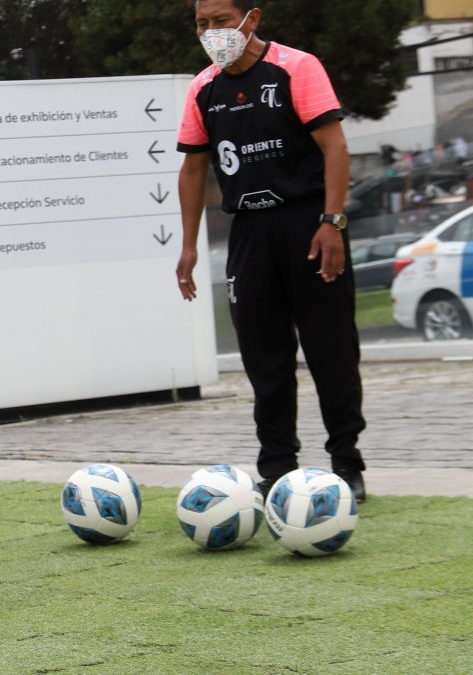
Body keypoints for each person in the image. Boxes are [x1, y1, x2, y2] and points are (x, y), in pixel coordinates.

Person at [176, 0, 367, 501]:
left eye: (220, 21)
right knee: (264, 356)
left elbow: (335, 148)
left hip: (309, 226)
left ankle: (346, 463)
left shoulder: (296, 68)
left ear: (251, 19)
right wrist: (188, 245)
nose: (211, 33)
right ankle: (278, 467)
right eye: (201, 24)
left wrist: (331, 221)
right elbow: (193, 169)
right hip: (249, 232)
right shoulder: (202, 89)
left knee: (331, 349)